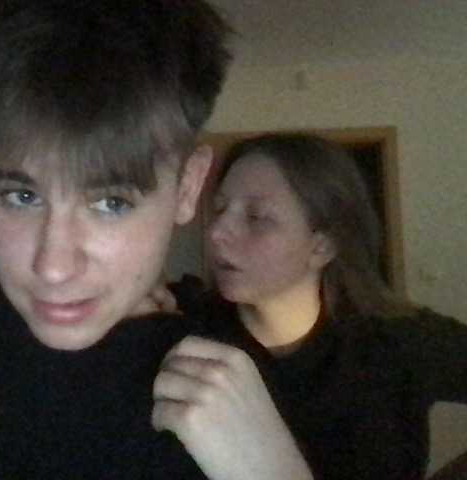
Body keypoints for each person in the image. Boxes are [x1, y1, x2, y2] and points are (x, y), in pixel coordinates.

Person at [0, 2, 313, 479]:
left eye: (111, 204)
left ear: (187, 188)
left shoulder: (232, 424)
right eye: (22, 196)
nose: (54, 267)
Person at [158, 133, 467, 479]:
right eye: (219, 209)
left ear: (322, 246)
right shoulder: (184, 328)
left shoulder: (399, 342)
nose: (216, 231)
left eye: (256, 217)